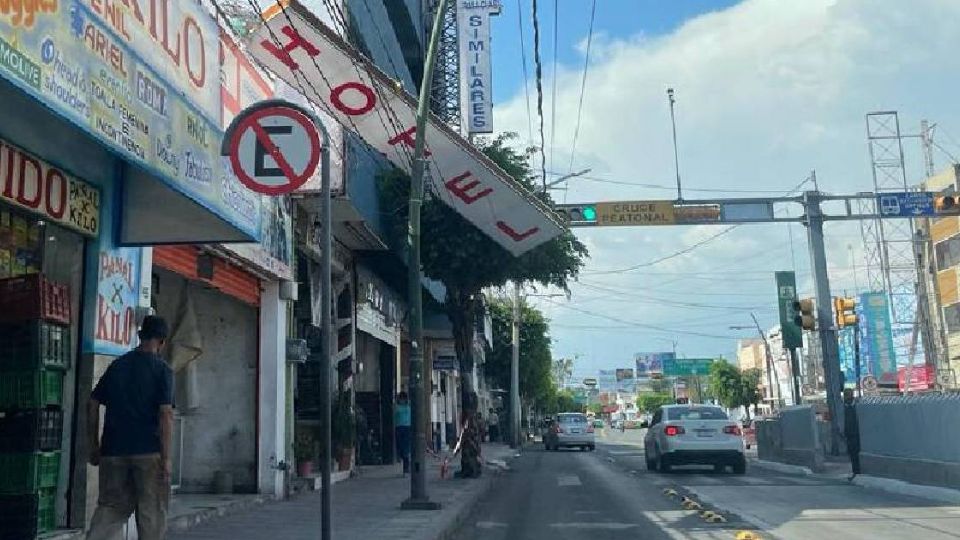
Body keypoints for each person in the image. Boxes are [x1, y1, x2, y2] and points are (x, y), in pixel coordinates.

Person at [86, 316, 174, 540]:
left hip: (113, 451)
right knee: (151, 511)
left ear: (140, 336)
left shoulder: (118, 365)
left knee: (110, 508)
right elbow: (165, 414)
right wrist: (166, 458)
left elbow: (93, 403)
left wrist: (94, 444)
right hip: (148, 452)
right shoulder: (162, 370)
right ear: (162, 342)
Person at [843, 388, 861, 478]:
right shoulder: (844, 408)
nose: (846, 397)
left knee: (857, 453)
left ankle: (858, 472)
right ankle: (855, 472)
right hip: (849, 436)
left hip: (858, 434)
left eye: (848, 395)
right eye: (845, 395)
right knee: (852, 454)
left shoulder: (857, 406)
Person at [395, 392, 411, 474]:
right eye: (401, 399)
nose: (402, 401)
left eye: (403, 399)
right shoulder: (396, 407)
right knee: (400, 446)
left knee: (405, 448)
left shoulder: (408, 407)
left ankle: (406, 466)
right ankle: (404, 459)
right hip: (399, 428)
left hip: (407, 428)